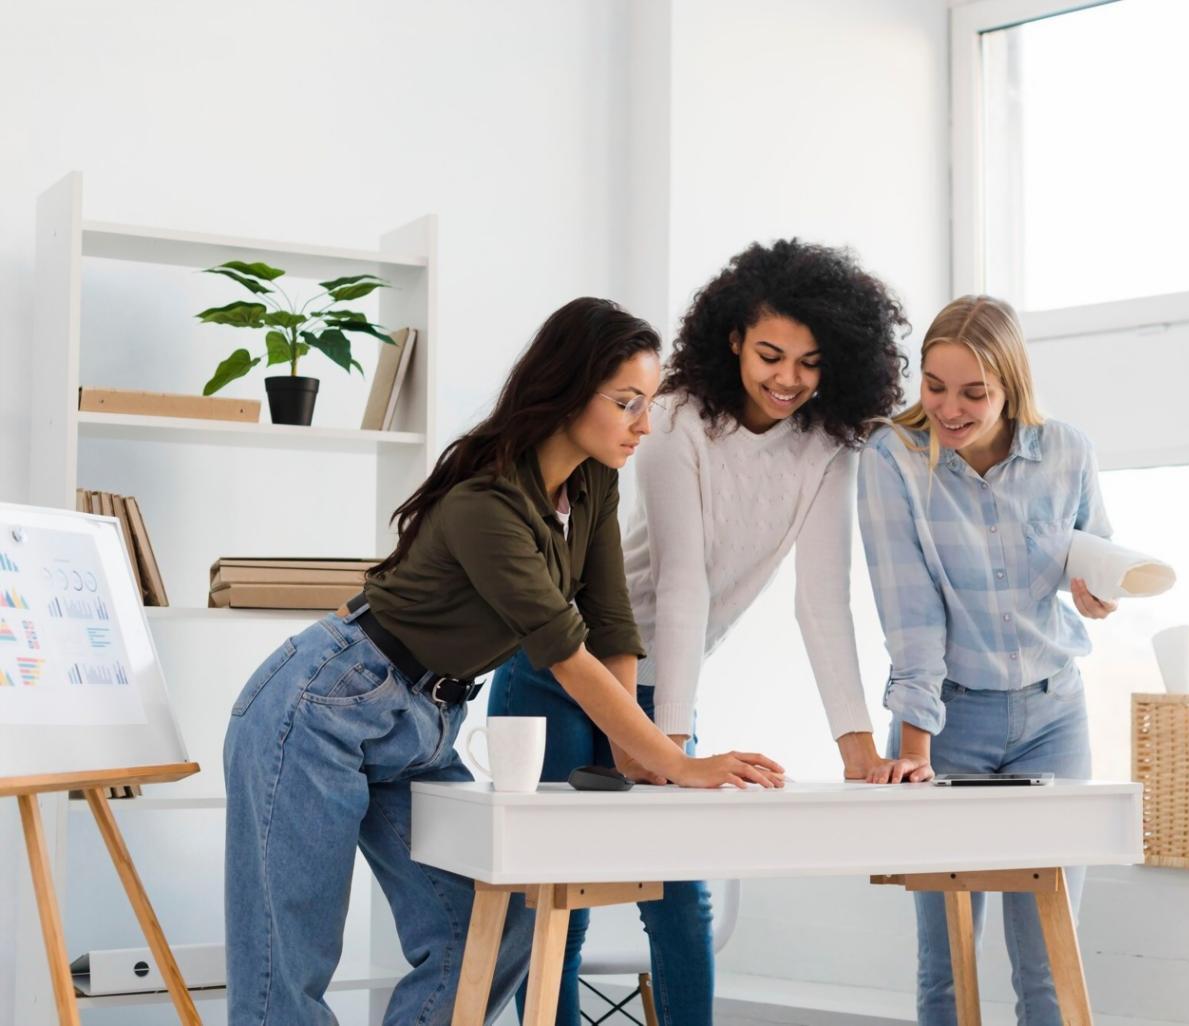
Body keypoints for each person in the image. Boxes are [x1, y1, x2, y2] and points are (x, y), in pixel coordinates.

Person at [223, 297, 783, 1026]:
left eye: (648, 404)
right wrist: (678, 762)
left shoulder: (592, 482)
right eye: (626, 403)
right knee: (287, 970)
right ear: (568, 389)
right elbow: (564, 652)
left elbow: (609, 619)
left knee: (494, 927)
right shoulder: (484, 503)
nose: (644, 425)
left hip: (425, 724)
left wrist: (631, 751)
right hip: (323, 703)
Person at [487, 239, 910, 1024]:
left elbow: (822, 599)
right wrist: (670, 749)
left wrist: (858, 747)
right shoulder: (673, 417)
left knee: (681, 904)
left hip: (658, 691)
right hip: (560, 670)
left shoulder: (828, 449)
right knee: (560, 903)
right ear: (733, 341)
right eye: (771, 354)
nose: (788, 379)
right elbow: (682, 585)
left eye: (811, 363)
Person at [857, 295, 1118, 1026]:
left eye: (974, 392)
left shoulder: (1067, 450)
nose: (949, 407)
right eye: (934, 386)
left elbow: (1092, 558)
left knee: (1046, 959)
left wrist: (1098, 593)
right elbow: (909, 613)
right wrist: (914, 747)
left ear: (1011, 386)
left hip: (1053, 718)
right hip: (948, 723)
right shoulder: (892, 459)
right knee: (948, 962)